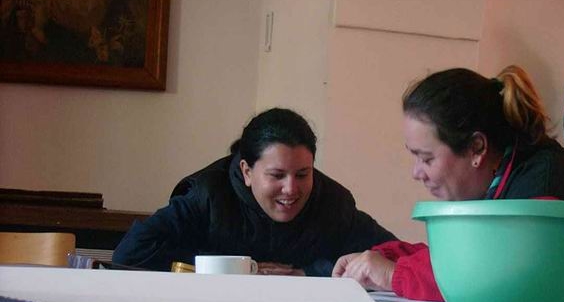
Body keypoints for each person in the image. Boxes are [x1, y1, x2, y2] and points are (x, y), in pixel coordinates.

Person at [333, 65, 564, 301]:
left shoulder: (540, 189)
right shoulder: (514, 172)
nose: (416, 172)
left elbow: (486, 277)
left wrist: (393, 273)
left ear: (477, 148)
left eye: (427, 158)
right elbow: (474, 257)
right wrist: (384, 258)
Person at [112, 108, 396, 275]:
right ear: (247, 172)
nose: (291, 189)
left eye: (302, 174)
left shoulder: (333, 203)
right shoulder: (208, 195)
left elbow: (397, 257)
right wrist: (242, 270)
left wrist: (308, 273)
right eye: (277, 175)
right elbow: (131, 252)